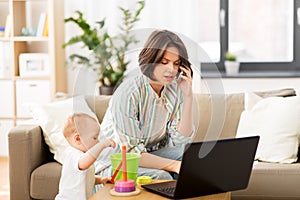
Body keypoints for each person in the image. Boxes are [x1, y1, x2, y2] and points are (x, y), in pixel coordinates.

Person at [96, 29, 194, 182]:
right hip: (117, 163)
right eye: (164, 62)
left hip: (149, 157)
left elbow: (180, 142)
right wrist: (174, 165)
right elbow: (132, 153)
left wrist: (188, 97)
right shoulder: (128, 93)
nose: (172, 70)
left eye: (176, 64)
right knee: (163, 177)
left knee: (188, 155)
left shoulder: (175, 89)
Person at [55, 113, 116, 200]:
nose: (97, 141)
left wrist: (101, 179)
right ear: (78, 139)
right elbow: (84, 162)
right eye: (94, 138)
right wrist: (102, 145)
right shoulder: (74, 154)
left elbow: (86, 178)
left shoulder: (82, 156)